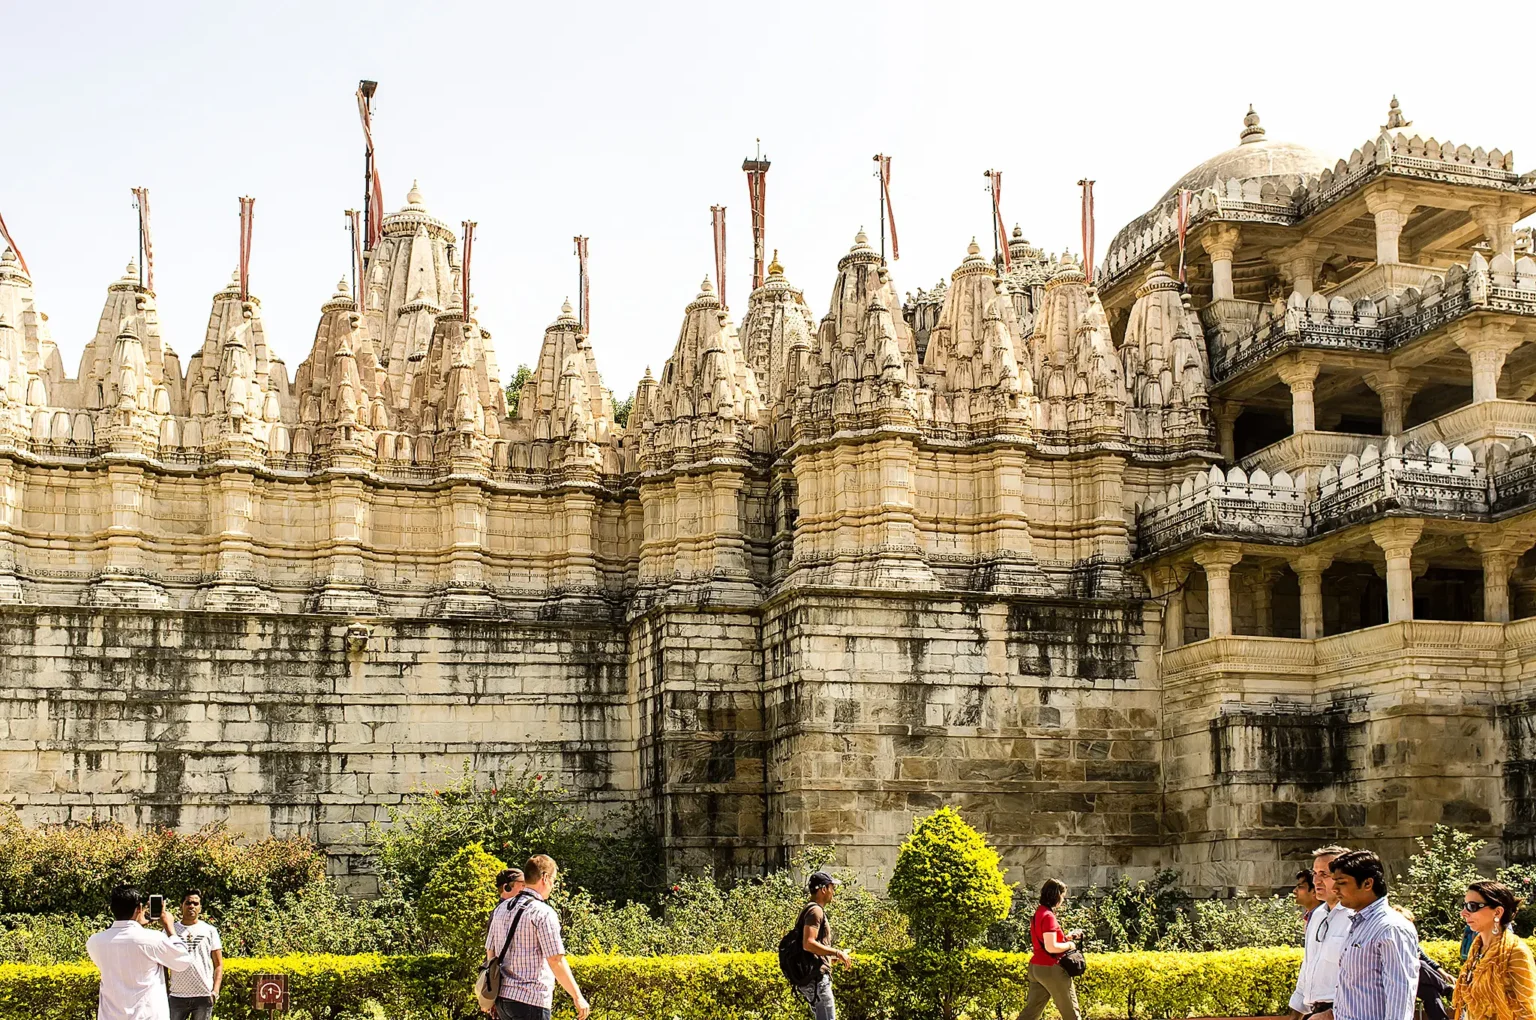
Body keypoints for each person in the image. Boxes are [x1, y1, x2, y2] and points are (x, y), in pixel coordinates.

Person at [1312, 850, 1419, 1020]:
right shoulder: (1358, 923)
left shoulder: (1390, 927)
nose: (1334, 888)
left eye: (1342, 882)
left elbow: (1400, 993)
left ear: (1368, 884)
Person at [482, 855, 589, 1020]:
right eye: (553, 880)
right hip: (530, 1000)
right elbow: (555, 960)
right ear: (545, 878)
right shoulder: (543, 912)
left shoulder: (501, 909)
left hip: (503, 999)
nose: (553, 886)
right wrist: (577, 996)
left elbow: (491, 953)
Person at [86, 884, 198, 1020]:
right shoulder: (153, 938)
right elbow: (183, 961)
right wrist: (169, 928)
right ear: (139, 909)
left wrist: (136, 925)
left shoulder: (95, 942)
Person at [1451, 879, 1536, 1020]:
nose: (1463, 913)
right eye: (1464, 905)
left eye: (1472, 906)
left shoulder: (1516, 952)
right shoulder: (1476, 948)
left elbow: (1527, 1010)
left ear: (1497, 912)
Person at [1288, 846, 1354, 1020]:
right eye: (1315, 874)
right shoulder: (1316, 916)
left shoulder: (1356, 918)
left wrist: (1333, 1014)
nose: (1317, 881)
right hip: (1315, 1012)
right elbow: (1308, 968)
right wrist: (1296, 1014)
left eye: (1324, 874)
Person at [1018, 879, 1083, 1020]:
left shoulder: (1039, 913)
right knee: (1072, 1014)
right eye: (1063, 896)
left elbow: (1045, 941)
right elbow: (1051, 947)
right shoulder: (1049, 917)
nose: (1063, 900)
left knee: (1029, 1014)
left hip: (1036, 968)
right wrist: (1070, 945)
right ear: (1056, 895)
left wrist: (1067, 937)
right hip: (1051, 968)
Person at [792, 871, 851, 1020]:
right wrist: (838, 952)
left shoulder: (811, 910)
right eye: (832, 887)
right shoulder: (815, 911)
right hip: (817, 980)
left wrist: (829, 958)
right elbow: (808, 943)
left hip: (815, 979)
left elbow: (811, 947)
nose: (833, 892)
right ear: (823, 889)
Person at [167, 890, 223, 1020]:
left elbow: (218, 964)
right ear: (181, 905)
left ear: (200, 907)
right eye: (188, 903)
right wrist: (165, 989)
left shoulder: (210, 931)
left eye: (195, 903)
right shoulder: (170, 930)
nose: (191, 906)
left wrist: (215, 991)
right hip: (177, 996)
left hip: (203, 995)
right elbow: (163, 963)